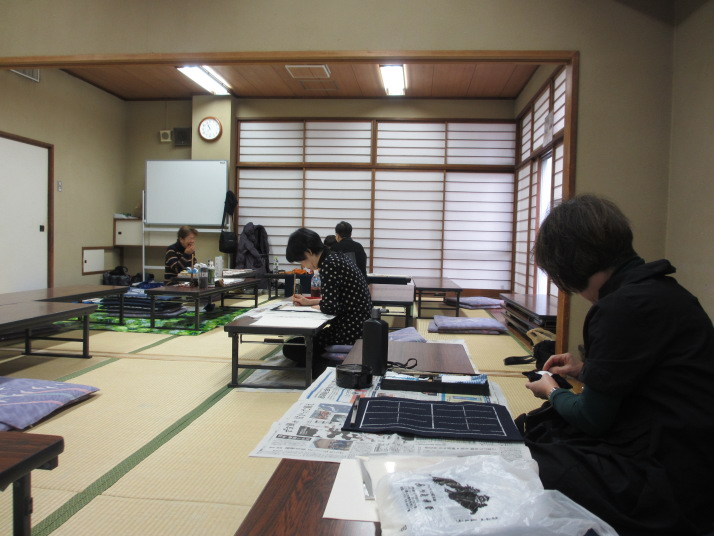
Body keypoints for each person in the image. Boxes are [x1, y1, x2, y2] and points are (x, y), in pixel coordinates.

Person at [522, 195, 714, 535]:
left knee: (527, 464)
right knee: (541, 430)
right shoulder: (664, 291)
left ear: (568, 265)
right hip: (694, 455)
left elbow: (591, 418)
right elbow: (648, 375)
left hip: (667, 476)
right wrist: (585, 370)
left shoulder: (621, 307)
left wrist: (550, 390)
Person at [285, 227, 372, 374]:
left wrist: (319, 305)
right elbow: (338, 300)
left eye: (302, 260)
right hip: (360, 324)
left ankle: (326, 366)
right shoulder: (335, 257)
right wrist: (310, 302)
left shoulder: (329, 265)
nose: (303, 265)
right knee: (298, 344)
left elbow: (330, 307)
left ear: (309, 252)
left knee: (292, 347)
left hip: (349, 329)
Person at [165, 225, 214, 311]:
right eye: (190, 238)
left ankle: (205, 308)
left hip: (187, 284)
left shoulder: (190, 250)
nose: (192, 241)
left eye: (193, 238)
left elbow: (193, 268)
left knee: (208, 290)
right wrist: (186, 254)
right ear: (181, 239)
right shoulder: (171, 250)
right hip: (173, 284)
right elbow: (177, 270)